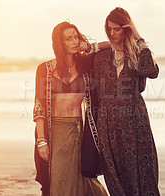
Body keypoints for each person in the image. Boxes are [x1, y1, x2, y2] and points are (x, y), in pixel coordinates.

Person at [33, 21, 110, 196]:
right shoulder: (44, 69)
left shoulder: (86, 65)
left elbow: (112, 46)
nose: (74, 41)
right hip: (53, 134)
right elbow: (39, 106)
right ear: (59, 43)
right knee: (56, 180)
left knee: (84, 181)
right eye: (69, 39)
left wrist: (90, 46)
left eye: (76, 37)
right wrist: (41, 140)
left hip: (78, 132)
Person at [92, 7, 160, 195]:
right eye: (109, 29)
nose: (113, 34)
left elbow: (151, 72)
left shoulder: (136, 54)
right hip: (108, 123)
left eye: (117, 29)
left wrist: (138, 39)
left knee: (142, 171)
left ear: (126, 28)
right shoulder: (100, 58)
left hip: (135, 121)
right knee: (115, 174)